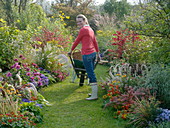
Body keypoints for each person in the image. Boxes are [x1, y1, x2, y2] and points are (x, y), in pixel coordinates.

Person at [68, 14, 100, 100]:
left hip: (87, 54)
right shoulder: (91, 30)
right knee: (91, 73)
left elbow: (76, 41)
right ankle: (93, 93)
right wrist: (98, 53)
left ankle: (94, 95)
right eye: (77, 22)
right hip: (93, 54)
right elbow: (95, 42)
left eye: (80, 21)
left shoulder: (83, 30)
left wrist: (71, 51)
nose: (78, 23)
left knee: (91, 74)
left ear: (85, 21)